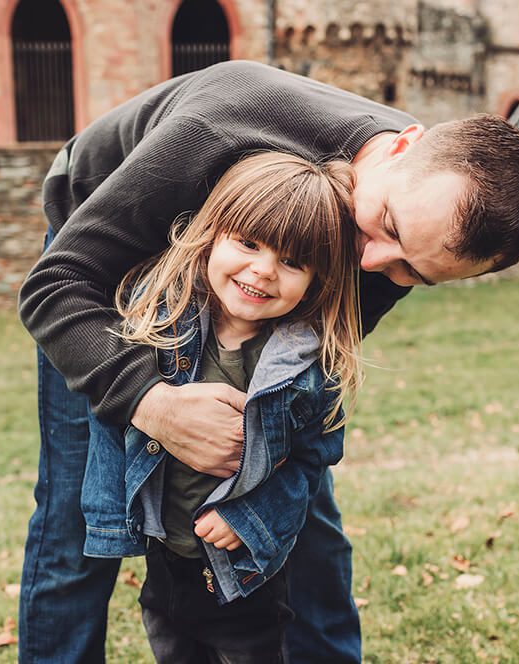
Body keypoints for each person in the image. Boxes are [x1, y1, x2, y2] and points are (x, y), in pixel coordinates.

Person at [17, 60, 519, 663]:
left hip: (243, 282)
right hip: (101, 258)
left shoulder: (414, 230)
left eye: (412, 273)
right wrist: (152, 402)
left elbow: (306, 392)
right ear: (402, 146)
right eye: (387, 227)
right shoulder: (218, 126)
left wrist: (267, 468)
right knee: (76, 507)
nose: (374, 263)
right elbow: (54, 287)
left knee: (300, 496)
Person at [80, 151, 366, 662]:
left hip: (244, 572)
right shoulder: (158, 317)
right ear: (212, 233)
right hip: (165, 561)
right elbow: (110, 400)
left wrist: (250, 515)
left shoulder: (305, 366)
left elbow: (310, 461)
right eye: (249, 243)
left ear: (317, 280)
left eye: (292, 261)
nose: (263, 270)